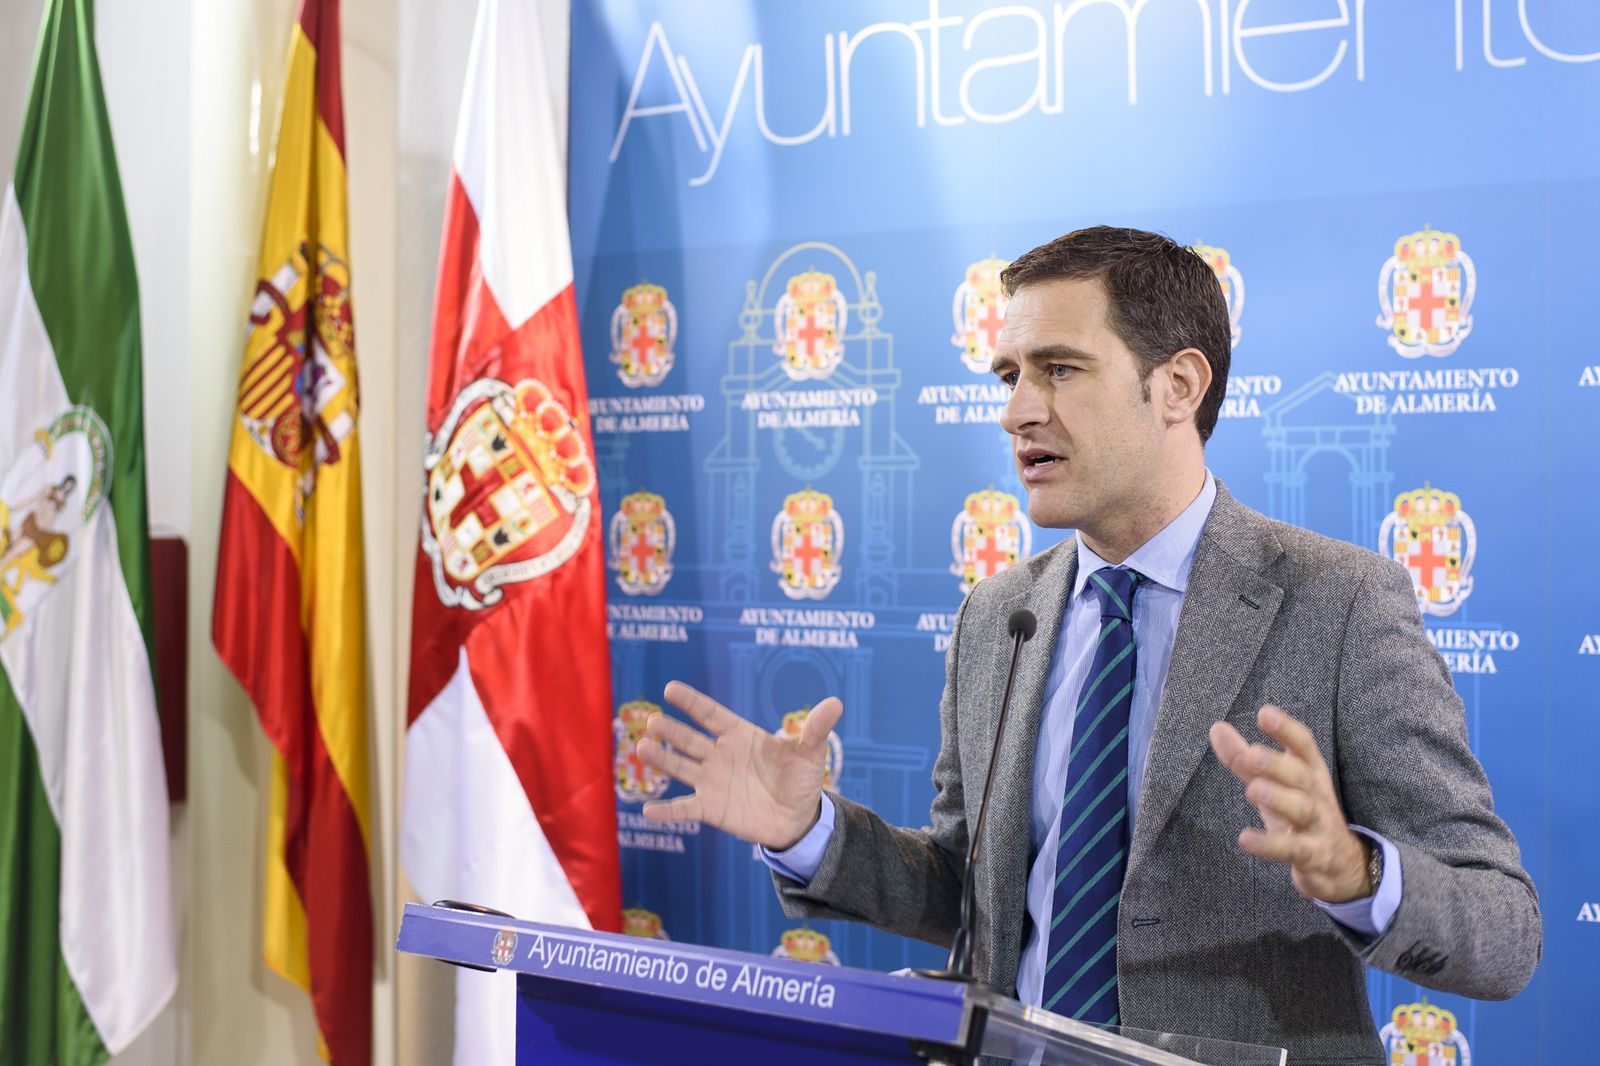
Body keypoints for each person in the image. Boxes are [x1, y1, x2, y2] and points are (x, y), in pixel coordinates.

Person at [634, 226, 1539, 1063]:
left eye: (1059, 369)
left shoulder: (1338, 602)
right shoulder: (999, 615)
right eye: (1007, 376)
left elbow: (1505, 932)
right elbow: (969, 892)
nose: (1017, 411)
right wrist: (810, 831)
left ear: (1179, 386)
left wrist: (1357, 873)